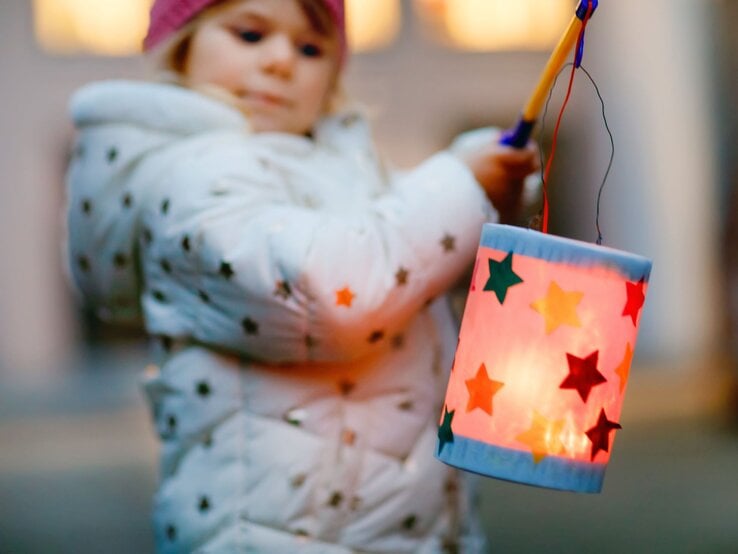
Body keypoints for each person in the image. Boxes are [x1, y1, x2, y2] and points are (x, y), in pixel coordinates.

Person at [65, 0, 540, 551]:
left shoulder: (331, 166)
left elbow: (399, 246)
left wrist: (483, 182)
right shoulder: (192, 181)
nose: (281, 61)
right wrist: (460, 187)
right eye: (250, 34)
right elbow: (338, 291)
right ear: (183, 40)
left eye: (311, 47)